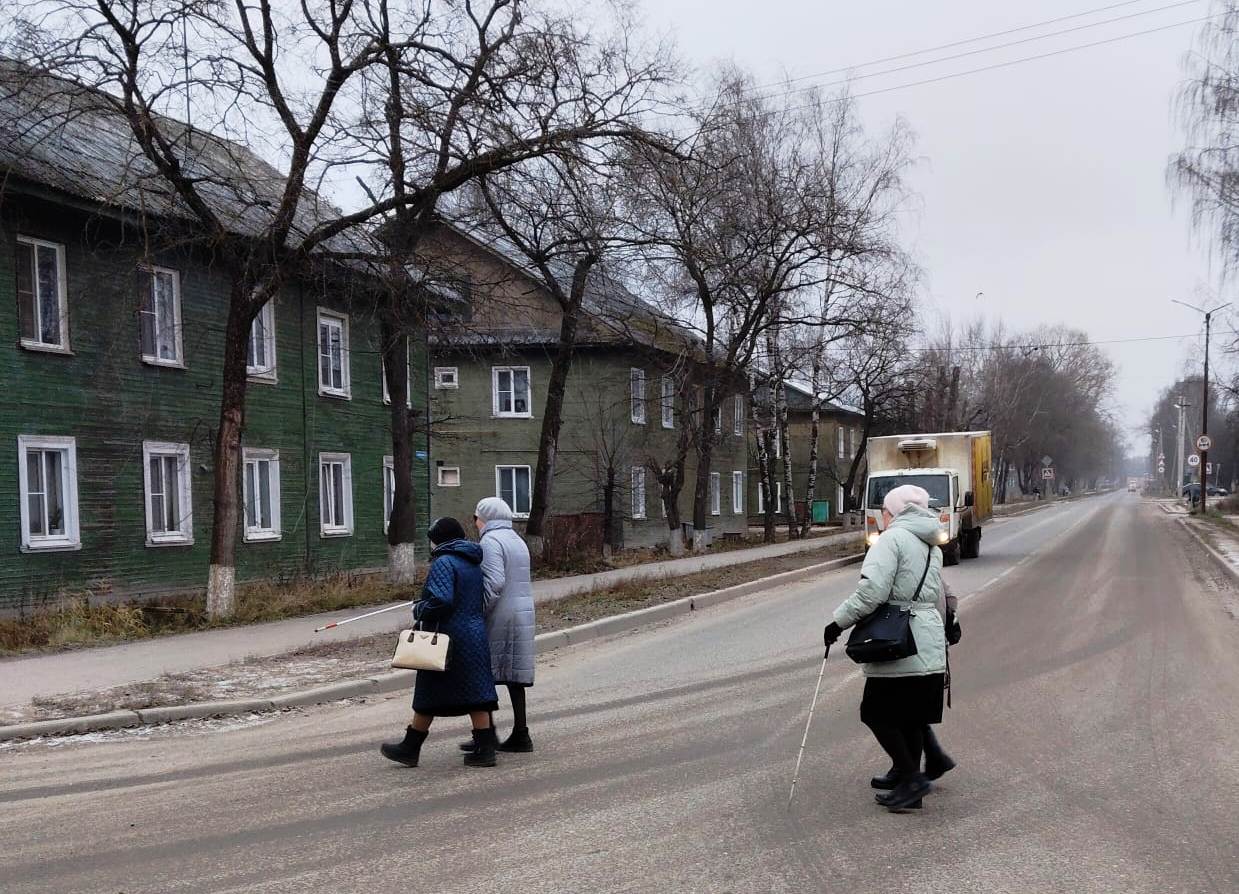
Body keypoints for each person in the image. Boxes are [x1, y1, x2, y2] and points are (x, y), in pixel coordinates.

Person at [822, 484, 950, 811]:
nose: (882, 516)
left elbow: (871, 593)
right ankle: (910, 782)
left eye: (884, 510)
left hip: (899, 636)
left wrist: (837, 623)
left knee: (875, 712)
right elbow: (937, 592)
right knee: (910, 716)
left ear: (892, 512)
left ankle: (912, 778)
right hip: (927, 635)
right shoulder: (931, 543)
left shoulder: (891, 539)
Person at [380, 517, 500, 769]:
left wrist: (420, 607)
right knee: (477, 693)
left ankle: (410, 748)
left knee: (429, 692)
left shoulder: (444, 562)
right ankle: (486, 748)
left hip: (447, 637)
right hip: (473, 634)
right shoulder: (471, 561)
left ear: (439, 539)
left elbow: (442, 601)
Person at [462, 496, 537, 753]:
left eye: (476, 518)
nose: (475, 523)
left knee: (485, 675)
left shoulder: (491, 541)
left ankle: (487, 734)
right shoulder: (517, 539)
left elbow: (493, 583)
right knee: (514, 676)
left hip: (500, 616)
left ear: (485, 518)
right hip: (522, 613)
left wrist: (478, 612)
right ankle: (521, 732)